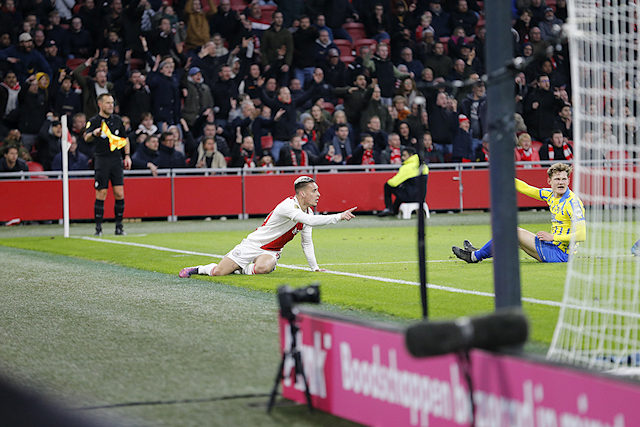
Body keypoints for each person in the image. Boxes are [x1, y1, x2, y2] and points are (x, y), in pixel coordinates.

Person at [179, 176, 357, 277]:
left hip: (271, 251)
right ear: (302, 193)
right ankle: (198, 269)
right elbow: (310, 221)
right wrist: (339, 216)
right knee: (219, 272)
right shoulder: (288, 206)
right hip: (253, 244)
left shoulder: (308, 212)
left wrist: (314, 267)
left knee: (263, 268)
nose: (319, 194)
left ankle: (240, 268)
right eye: (314, 191)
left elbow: (307, 242)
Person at [453, 162, 586, 263]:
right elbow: (526, 188)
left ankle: (474, 256)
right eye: (557, 179)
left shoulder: (573, 203)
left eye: (564, 179)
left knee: (512, 231)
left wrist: (553, 237)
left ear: (569, 181)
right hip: (552, 247)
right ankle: (479, 253)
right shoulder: (550, 194)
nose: (561, 183)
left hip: (562, 254)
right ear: (549, 181)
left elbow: (582, 235)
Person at [84, 94, 132, 237]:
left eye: (112, 102)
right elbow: (86, 137)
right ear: (100, 104)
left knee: (119, 193)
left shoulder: (118, 120)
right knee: (101, 193)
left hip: (116, 159)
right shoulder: (94, 121)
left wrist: (127, 156)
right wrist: (94, 133)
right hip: (102, 159)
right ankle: (98, 228)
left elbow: (125, 138)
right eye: (108, 103)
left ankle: (119, 227)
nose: (111, 105)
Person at [377, 147, 429, 216]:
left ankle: (389, 208)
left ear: (411, 156)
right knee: (402, 190)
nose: (402, 158)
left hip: (410, 198)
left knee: (387, 185)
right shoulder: (423, 166)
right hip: (421, 197)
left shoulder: (406, 167)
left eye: (404, 155)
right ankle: (394, 210)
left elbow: (393, 183)